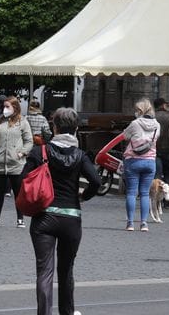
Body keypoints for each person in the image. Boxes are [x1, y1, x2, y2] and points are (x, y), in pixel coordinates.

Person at [21, 107, 101, 315]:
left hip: (44, 217)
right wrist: (83, 196)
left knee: (44, 271)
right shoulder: (80, 155)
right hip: (71, 218)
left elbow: (23, 179)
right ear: (75, 129)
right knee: (66, 271)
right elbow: (96, 181)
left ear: (54, 126)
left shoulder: (41, 152)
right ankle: (67, 312)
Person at [0, 96, 33, 228]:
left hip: (16, 164)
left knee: (18, 193)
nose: (5, 109)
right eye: (4, 106)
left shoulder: (23, 122)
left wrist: (21, 153)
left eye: (7, 106)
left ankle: (20, 219)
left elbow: (29, 141)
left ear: (15, 107)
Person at [122, 98, 160, 232]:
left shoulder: (135, 123)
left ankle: (130, 223)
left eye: (137, 110)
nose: (135, 112)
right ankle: (144, 223)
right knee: (145, 194)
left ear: (140, 110)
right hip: (150, 161)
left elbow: (125, 136)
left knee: (131, 192)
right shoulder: (157, 125)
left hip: (133, 160)